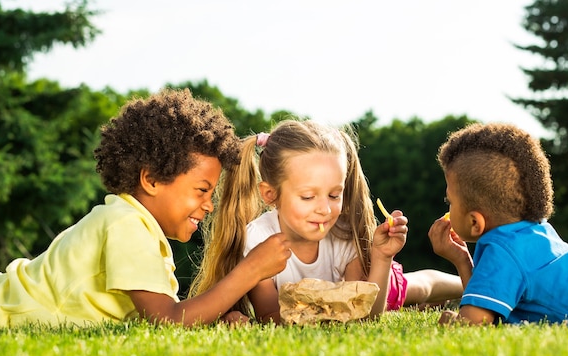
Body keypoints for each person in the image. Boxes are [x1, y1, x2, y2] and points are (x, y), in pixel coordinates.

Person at [0, 88, 291, 327]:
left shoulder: (136, 226)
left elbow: (162, 313)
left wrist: (216, 318)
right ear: (151, 180)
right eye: (201, 191)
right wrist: (250, 272)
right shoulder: (125, 224)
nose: (208, 205)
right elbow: (166, 320)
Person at [191, 119, 463, 324]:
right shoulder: (259, 240)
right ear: (271, 195)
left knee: (420, 287)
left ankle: (470, 285)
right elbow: (270, 316)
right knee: (415, 299)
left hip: (378, 280)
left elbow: (366, 316)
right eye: (308, 197)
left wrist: (382, 258)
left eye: (334, 194)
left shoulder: (344, 235)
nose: (324, 209)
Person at [428, 122, 568, 325]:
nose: (448, 208)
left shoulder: (502, 250)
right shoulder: (535, 234)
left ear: (475, 222)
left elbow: (474, 323)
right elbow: (484, 301)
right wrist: (462, 260)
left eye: (450, 202)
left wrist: (451, 322)